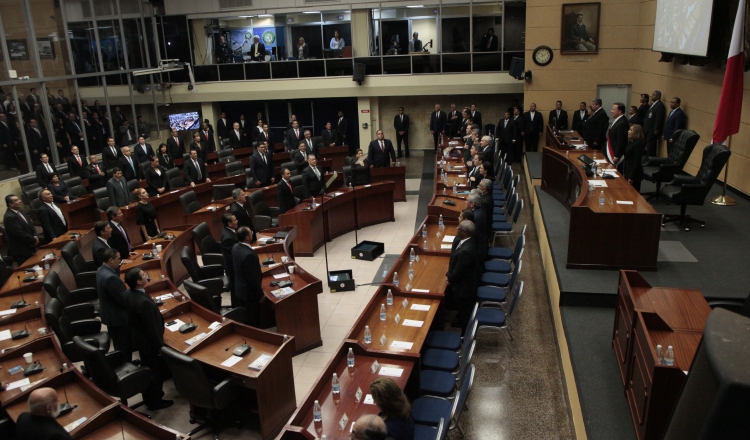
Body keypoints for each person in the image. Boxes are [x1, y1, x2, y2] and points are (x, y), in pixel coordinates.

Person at [123, 268, 173, 411]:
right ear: (139, 281)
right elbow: (152, 328)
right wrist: (160, 348)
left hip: (139, 339)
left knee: (149, 368)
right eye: (144, 275)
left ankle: (150, 396)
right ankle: (155, 401)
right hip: (149, 344)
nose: (147, 276)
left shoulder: (128, 293)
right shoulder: (144, 303)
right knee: (155, 372)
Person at [96, 248, 132, 361]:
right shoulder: (111, 278)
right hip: (119, 318)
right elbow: (123, 300)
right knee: (124, 346)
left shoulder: (101, 270)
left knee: (119, 344)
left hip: (110, 314)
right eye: (118, 259)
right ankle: (128, 369)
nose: (120, 261)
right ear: (111, 260)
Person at [447, 220, 479, 330]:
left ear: (464, 232)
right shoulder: (467, 241)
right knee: (462, 311)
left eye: (458, 229)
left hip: (464, 289)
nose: (456, 230)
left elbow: (458, 273)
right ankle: (460, 320)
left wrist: (449, 278)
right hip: (465, 283)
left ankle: (465, 338)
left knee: (465, 313)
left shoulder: (466, 251)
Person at [232, 226, 264, 326]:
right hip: (249, 294)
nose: (252, 234)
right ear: (247, 237)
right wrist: (261, 295)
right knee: (253, 319)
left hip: (240, 290)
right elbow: (253, 279)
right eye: (251, 233)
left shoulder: (235, 247)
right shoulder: (249, 255)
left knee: (246, 317)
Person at [3, 195, 38, 264]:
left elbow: (30, 225)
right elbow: (19, 233)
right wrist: (33, 240)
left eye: (18, 199)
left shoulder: (21, 211)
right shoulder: (9, 217)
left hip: (31, 245)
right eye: (16, 200)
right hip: (22, 250)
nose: (20, 201)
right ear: (10, 204)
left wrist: (35, 236)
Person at [621, 124, 646, 191]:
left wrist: (631, 177)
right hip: (628, 170)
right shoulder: (631, 142)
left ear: (636, 133)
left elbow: (637, 162)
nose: (628, 131)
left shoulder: (638, 144)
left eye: (631, 130)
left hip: (634, 174)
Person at [643, 90, 665, 158]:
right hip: (648, 127)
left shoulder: (660, 105)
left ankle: (650, 158)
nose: (652, 96)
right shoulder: (652, 104)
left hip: (652, 128)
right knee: (648, 144)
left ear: (658, 96)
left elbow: (659, 118)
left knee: (651, 144)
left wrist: (656, 128)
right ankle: (647, 157)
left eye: (654, 95)